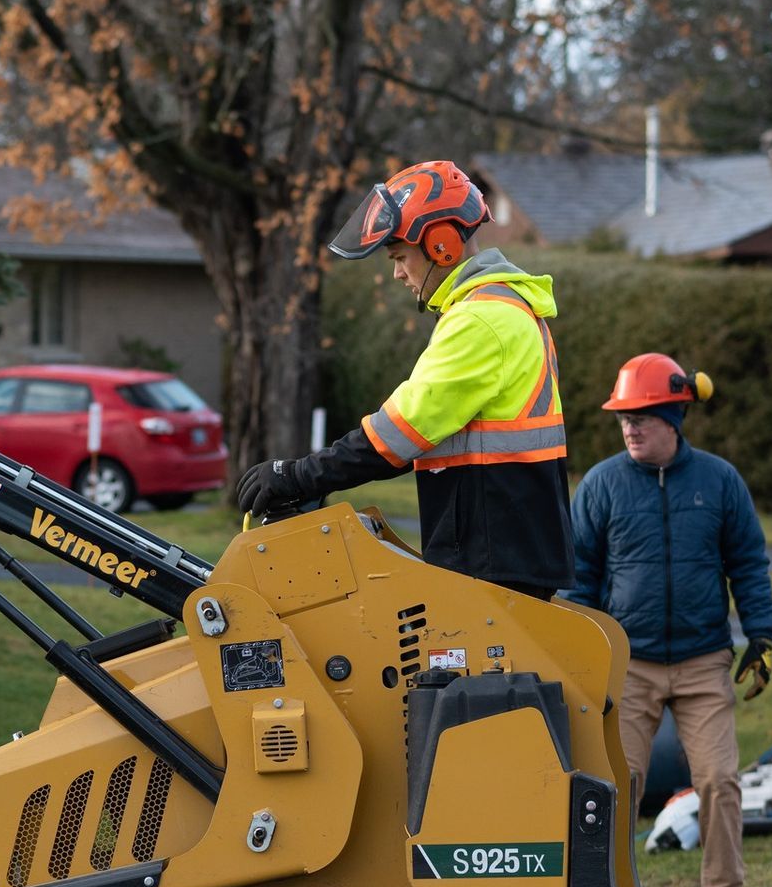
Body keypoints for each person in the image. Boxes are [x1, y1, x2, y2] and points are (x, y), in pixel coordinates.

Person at [235, 160, 573, 599]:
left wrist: (299, 476)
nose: (397, 274)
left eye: (399, 257)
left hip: (495, 561)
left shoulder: (481, 320)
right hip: (508, 552)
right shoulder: (501, 309)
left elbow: (397, 434)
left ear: (442, 246)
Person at [563, 354, 772, 887]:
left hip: (705, 659)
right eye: (624, 419)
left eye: (642, 419)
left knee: (718, 779)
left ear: (673, 420)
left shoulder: (719, 482)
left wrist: (760, 635)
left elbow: (748, 564)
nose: (630, 429)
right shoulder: (602, 485)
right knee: (618, 783)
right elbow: (579, 576)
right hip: (628, 666)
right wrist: (579, 654)